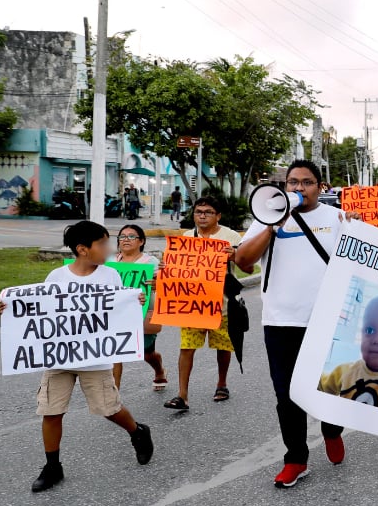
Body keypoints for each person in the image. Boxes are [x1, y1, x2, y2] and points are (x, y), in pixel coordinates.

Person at [0, 220, 153, 492]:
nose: (109, 248)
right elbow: (40, 311)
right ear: (83, 249)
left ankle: (137, 432)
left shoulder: (110, 276)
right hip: (59, 358)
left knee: (109, 408)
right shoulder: (56, 278)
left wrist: (133, 303)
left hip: (95, 357)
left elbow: (116, 313)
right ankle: (52, 466)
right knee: (51, 410)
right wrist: (13, 309)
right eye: (103, 244)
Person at [235, 160, 346, 488]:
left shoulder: (335, 218)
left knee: (331, 387)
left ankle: (332, 428)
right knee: (287, 394)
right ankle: (296, 458)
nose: (299, 188)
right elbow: (243, 261)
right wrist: (272, 226)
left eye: (307, 182)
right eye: (293, 182)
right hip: (282, 320)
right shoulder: (267, 216)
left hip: (327, 318)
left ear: (320, 187)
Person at [164, 197, 243, 410]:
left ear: (218, 215)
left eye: (208, 212)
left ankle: (222, 383)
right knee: (186, 348)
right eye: (198, 211)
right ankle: (182, 395)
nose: (202, 215)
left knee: (223, 347)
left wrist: (234, 255)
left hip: (222, 305)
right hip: (192, 305)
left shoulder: (231, 236)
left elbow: (246, 264)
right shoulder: (186, 237)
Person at [112, 224, 167, 391]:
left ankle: (159, 370)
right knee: (116, 353)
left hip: (143, 315)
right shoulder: (110, 263)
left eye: (131, 236)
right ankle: (114, 396)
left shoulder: (151, 262)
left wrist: (160, 281)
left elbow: (165, 285)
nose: (126, 240)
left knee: (146, 352)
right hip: (116, 316)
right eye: (122, 236)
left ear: (141, 241)